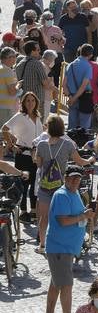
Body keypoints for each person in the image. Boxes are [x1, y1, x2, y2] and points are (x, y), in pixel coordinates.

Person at [43, 165, 95, 313]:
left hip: (65, 248)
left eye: (78, 178)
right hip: (60, 248)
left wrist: (85, 215)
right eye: (72, 177)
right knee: (66, 285)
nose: (75, 180)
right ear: (65, 178)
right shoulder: (62, 195)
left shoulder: (74, 193)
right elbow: (64, 221)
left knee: (56, 284)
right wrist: (83, 216)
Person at [35, 114, 93, 253]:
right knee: (66, 215)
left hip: (45, 185)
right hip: (61, 186)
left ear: (48, 128)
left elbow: (38, 164)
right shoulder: (67, 144)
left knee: (44, 217)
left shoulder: (41, 145)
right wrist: (90, 160)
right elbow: (79, 161)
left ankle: (42, 245)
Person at [2, 91, 43, 221]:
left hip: (36, 154)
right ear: (24, 103)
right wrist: (11, 145)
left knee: (35, 183)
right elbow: (4, 128)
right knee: (23, 184)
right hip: (23, 154)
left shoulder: (37, 116)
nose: (30, 103)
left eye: (32, 100)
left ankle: (33, 210)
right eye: (28, 101)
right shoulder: (20, 116)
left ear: (36, 102)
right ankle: (23, 212)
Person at [64, 43, 95, 131]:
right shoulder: (88, 66)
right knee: (84, 127)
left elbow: (64, 84)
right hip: (85, 98)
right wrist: (74, 98)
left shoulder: (70, 65)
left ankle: (72, 143)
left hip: (72, 97)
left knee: (72, 126)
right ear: (91, 55)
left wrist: (71, 97)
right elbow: (83, 86)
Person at [0, 45, 18, 128]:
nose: (15, 58)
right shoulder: (7, 70)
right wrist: (18, 86)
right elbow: (12, 92)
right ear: (7, 58)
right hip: (6, 106)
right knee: (6, 133)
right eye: (13, 56)